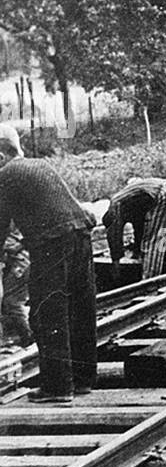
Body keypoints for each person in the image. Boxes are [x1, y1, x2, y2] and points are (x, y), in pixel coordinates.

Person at [0, 124, 96, 402]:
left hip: (52, 245)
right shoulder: (38, 165)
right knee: (80, 309)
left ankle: (57, 388)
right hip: (81, 237)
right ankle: (82, 380)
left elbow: (0, 225)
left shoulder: (6, 175)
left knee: (46, 314)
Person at [103, 177, 166, 280]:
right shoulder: (131, 202)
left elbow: (115, 238)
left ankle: (149, 283)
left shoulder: (115, 207)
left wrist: (116, 264)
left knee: (152, 243)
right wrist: (136, 253)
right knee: (165, 233)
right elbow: (139, 228)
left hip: (161, 194)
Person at [0, 226, 31, 349]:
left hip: (21, 262)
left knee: (12, 302)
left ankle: (28, 337)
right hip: (22, 261)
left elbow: (11, 246)